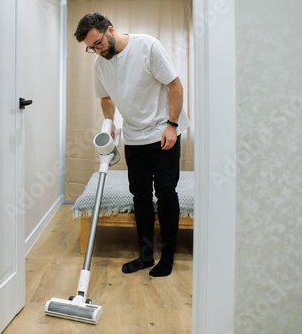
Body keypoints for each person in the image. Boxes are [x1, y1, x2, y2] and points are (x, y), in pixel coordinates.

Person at [74, 12, 190, 277]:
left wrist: (172, 125)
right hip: (135, 136)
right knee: (140, 195)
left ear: (110, 31)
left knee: (165, 191)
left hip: (163, 130)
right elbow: (105, 98)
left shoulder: (147, 46)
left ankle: (168, 254)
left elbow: (175, 86)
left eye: (98, 44)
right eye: (90, 48)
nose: (96, 51)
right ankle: (146, 255)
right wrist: (109, 122)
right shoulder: (100, 64)